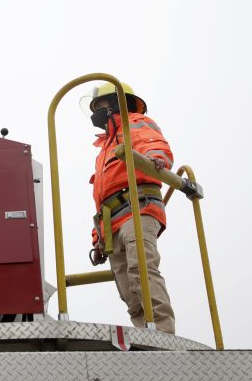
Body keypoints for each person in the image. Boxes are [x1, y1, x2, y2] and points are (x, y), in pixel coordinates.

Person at [84, 82, 175, 334]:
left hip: (138, 208)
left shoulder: (133, 123)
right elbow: (102, 196)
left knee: (142, 272)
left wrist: (157, 158)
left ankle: (164, 336)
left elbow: (152, 143)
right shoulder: (105, 148)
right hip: (112, 222)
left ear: (115, 104)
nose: (97, 113)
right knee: (127, 288)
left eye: (101, 106)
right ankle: (146, 335)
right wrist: (98, 238)